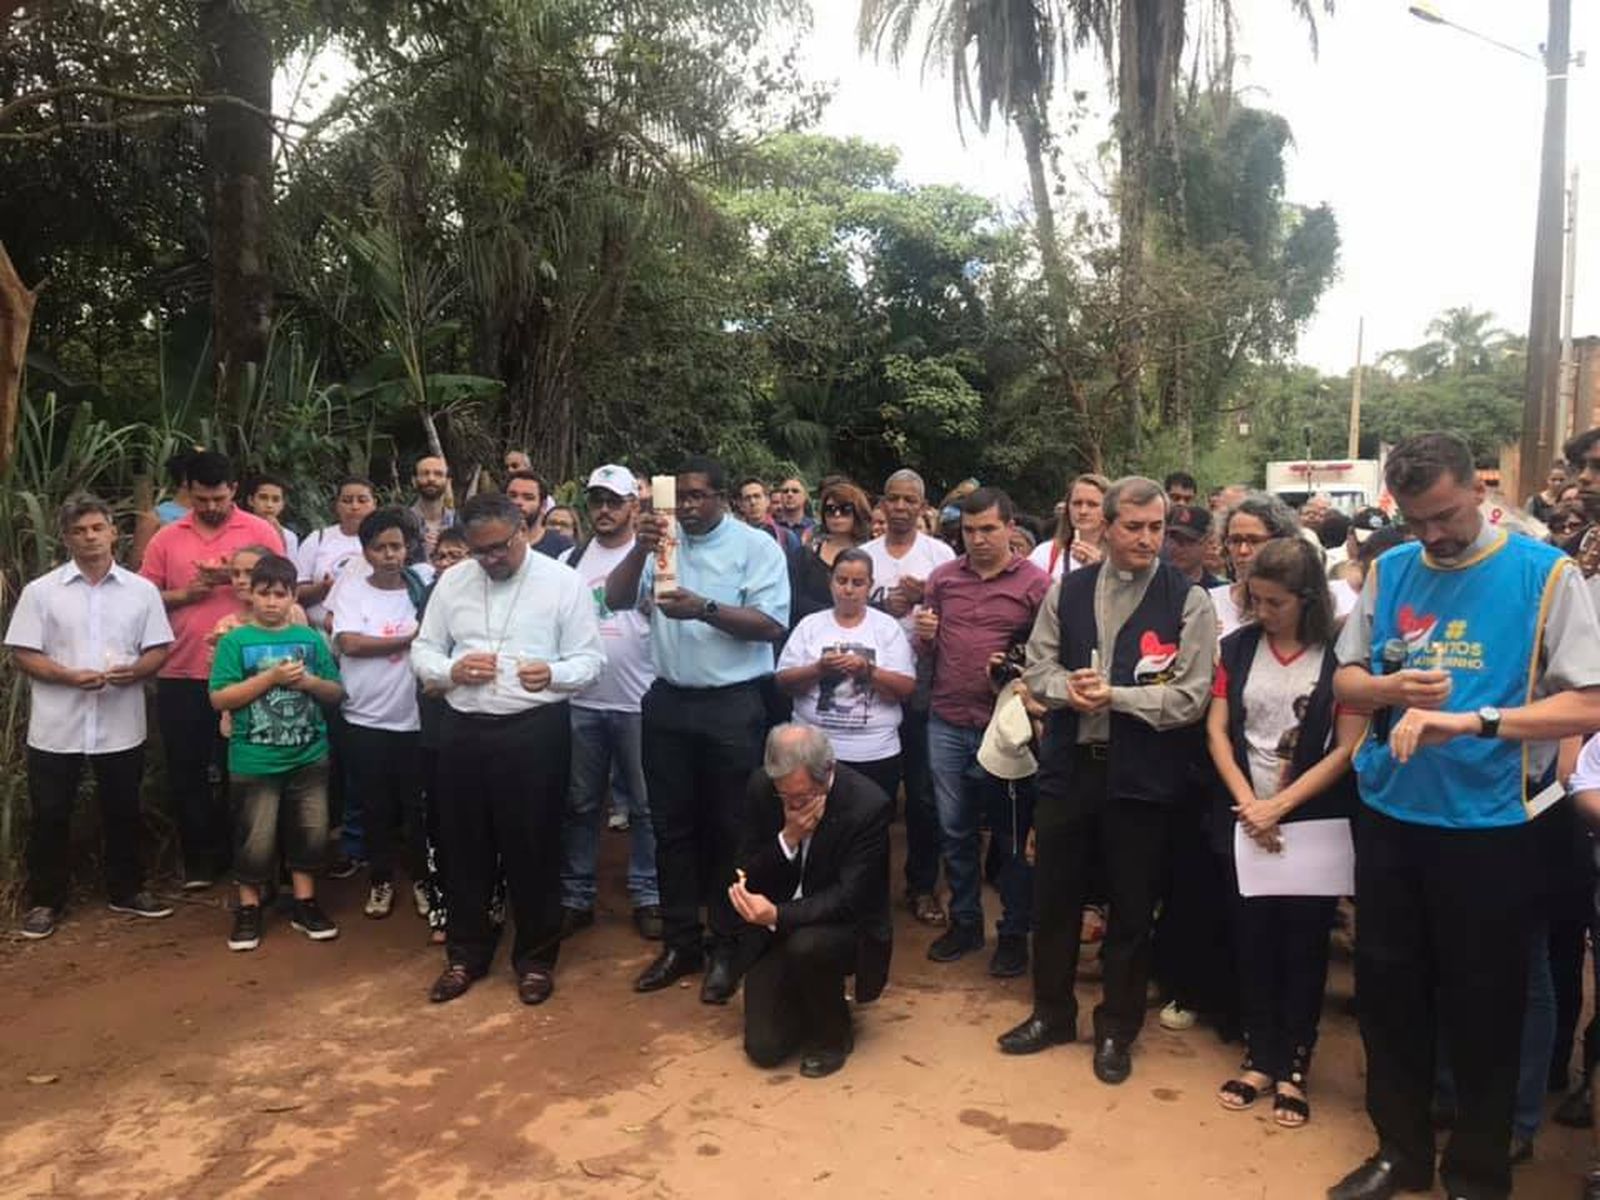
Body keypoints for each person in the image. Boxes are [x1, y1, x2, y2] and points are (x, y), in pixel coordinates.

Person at [1327, 432, 1600, 1200]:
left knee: (1486, 1009)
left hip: (1493, 830)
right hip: (1391, 817)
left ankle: (1477, 1173)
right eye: (1416, 520)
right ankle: (1399, 1153)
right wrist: (1387, 692)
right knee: (1389, 999)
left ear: (1480, 492)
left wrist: (1475, 720)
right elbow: (1348, 673)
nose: (1433, 535)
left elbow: (1587, 700)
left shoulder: (1544, 575)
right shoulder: (1391, 569)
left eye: (1445, 515)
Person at [997, 476, 1216, 1086]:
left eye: (1157, 529)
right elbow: (1036, 667)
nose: (1148, 540)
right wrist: (1065, 689)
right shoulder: (1068, 591)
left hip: (1143, 778)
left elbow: (1192, 697)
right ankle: (1051, 1014)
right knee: (1055, 900)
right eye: (1135, 527)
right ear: (1105, 525)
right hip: (1070, 770)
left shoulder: (1186, 600)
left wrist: (1114, 697)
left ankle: (1117, 1028)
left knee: (1130, 907)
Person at [603, 455, 791, 1004]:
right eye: (679, 496)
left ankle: (728, 946)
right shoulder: (664, 542)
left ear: (722, 497)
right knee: (671, 826)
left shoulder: (756, 547)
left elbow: (772, 622)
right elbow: (614, 600)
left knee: (731, 830)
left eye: (697, 496)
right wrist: (640, 545)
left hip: (732, 704)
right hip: (668, 701)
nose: (685, 506)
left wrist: (705, 609)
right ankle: (682, 941)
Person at [410, 493, 604, 1004]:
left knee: (534, 845)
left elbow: (590, 659)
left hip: (533, 728)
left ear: (523, 529)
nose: (492, 559)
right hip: (463, 728)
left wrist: (555, 674)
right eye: (481, 552)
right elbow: (423, 649)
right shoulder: (453, 582)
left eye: (500, 547)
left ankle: (536, 959)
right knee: (463, 845)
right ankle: (465, 954)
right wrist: (451, 670)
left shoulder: (564, 582)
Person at [1206, 537, 1361, 1129]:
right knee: (1252, 938)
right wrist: (1250, 804)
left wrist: (1283, 806)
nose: (1263, 612)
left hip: (1313, 820)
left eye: (1275, 603)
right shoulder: (1238, 647)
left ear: (1307, 599)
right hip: (1247, 815)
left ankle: (1295, 1062)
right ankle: (1258, 1054)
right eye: (1255, 599)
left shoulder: (1339, 657)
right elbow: (1219, 731)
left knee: (1303, 942)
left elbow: (1348, 746)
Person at [7, 496, 176, 939]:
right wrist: (65, 676)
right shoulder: (41, 592)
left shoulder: (141, 592)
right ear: (65, 537)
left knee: (123, 809)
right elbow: (23, 651)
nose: (90, 537)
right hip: (57, 725)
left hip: (121, 721)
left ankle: (128, 889)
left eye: (97, 528)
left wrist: (138, 671)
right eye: (79, 530)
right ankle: (46, 901)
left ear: (113, 532)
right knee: (50, 814)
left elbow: (159, 647)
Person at [918, 487, 1050, 975]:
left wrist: (1017, 672)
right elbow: (926, 656)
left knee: (1012, 837)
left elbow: (1050, 657)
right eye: (970, 531)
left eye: (989, 529)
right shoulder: (942, 580)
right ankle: (967, 923)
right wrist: (924, 639)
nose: (978, 539)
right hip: (948, 720)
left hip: (1007, 730)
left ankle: (1014, 932)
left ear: (1011, 528)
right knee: (955, 831)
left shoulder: (1037, 585)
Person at [139, 450, 284, 889]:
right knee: (187, 768)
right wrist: (187, 594)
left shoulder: (260, 531)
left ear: (234, 491)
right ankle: (201, 860)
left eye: (219, 498)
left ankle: (250, 859)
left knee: (246, 770)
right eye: (202, 499)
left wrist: (232, 582)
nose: (211, 507)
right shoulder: (167, 537)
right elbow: (142, 596)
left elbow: (282, 590)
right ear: (189, 493)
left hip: (250, 672)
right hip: (182, 669)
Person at [732, 724, 892, 1079]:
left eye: (802, 797)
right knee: (765, 1048)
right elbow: (745, 868)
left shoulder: (868, 805)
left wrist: (777, 914)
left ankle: (833, 1035)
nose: (792, 804)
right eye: (783, 796)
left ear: (827, 774)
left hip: (839, 929)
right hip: (776, 930)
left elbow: (849, 899)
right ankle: (803, 1001)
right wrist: (787, 839)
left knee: (808, 946)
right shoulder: (762, 788)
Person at [210, 553, 345, 951]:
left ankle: (305, 901)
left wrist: (310, 683)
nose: (271, 602)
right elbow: (220, 698)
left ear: (292, 597)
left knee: (311, 831)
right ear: (249, 595)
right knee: (255, 837)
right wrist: (270, 677)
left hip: (309, 753)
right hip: (254, 756)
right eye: (264, 594)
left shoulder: (311, 640)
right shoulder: (235, 641)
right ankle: (248, 907)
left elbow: (336, 692)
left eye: (280, 594)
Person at [557, 464, 662, 941]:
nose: (603, 510)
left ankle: (648, 893)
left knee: (645, 805)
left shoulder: (658, 559)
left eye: (613, 501)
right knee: (581, 803)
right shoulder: (570, 559)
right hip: (583, 701)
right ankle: (575, 894)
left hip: (639, 699)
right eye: (595, 500)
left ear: (633, 507)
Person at [863, 468, 957, 927]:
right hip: (870, 682)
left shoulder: (940, 556)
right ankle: (862, 886)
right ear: (881, 504)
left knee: (922, 794)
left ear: (923, 507)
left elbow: (959, 618)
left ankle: (922, 885)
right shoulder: (862, 556)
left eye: (909, 500)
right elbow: (842, 612)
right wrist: (886, 607)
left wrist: (929, 600)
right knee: (869, 794)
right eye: (893, 499)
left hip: (923, 683)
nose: (900, 507)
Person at [333, 508, 428, 921]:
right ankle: (381, 879)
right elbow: (350, 644)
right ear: (365, 551)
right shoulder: (352, 590)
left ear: (408, 549)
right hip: (365, 718)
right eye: (380, 547)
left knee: (418, 806)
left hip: (415, 718)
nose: (390, 555)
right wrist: (410, 640)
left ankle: (426, 879)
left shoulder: (421, 588)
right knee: (375, 806)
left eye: (397, 546)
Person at [777, 548, 916, 797]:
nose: (848, 590)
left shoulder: (886, 628)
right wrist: (819, 669)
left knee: (871, 824)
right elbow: (783, 681)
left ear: (870, 586)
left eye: (858, 583)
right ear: (830, 581)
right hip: (813, 749)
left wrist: (868, 671)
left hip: (874, 751)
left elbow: (905, 689)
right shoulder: (810, 625)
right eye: (841, 581)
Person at [1211, 493, 1302, 638]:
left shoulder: (1300, 606)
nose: (1243, 550)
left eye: (1254, 541)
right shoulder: (1210, 604)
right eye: (1235, 541)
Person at [295, 476, 377, 630]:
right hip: (319, 632)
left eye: (362, 500)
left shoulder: (383, 541)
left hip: (370, 629)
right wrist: (322, 589)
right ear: (337, 505)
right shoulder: (318, 539)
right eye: (347, 500)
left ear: (374, 504)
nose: (354, 506)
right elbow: (295, 592)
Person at [789, 478, 874, 625]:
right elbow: (794, 600)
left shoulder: (872, 553)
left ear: (857, 512)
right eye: (830, 510)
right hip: (811, 633)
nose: (836, 515)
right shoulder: (804, 555)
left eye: (845, 509)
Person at [1029, 473, 1109, 581]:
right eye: (1077, 503)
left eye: (1092, 504)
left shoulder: (1121, 556)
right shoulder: (1045, 553)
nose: (1083, 511)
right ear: (1068, 508)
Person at [504, 469, 573, 560]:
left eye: (528, 498)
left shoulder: (563, 548)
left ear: (543, 506)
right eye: (513, 496)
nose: (518, 502)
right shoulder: (489, 541)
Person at [1163, 503, 1225, 588]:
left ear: (1207, 542)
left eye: (1189, 540)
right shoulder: (1153, 584)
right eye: (1174, 539)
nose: (1179, 547)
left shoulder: (1218, 591)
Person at [244, 474, 300, 563]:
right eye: (263, 498)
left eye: (276, 500)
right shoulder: (239, 529)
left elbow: (289, 571)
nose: (269, 505)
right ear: (251, 500)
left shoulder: (289, 537)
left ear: (282, 504)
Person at [409, 455, 455, 557]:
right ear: (414, 481)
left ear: (448, 482)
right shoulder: (401, 523)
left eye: (438, 474)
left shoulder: (460, 522)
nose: (431, 479)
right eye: (425, 474)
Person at [773, 476, 816, 546]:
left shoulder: (815, 529)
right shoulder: (772, 527)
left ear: (805, 497)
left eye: (795, 491)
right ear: (781, 497)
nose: (789, 494)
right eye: (785, 491)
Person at [1528, 460, 1568, 525]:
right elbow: (1527, 526)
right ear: (1547, 480)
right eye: (1553, 479)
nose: (1557, 483)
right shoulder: (1534, 501)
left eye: (1561, 480)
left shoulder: (1569, 501)